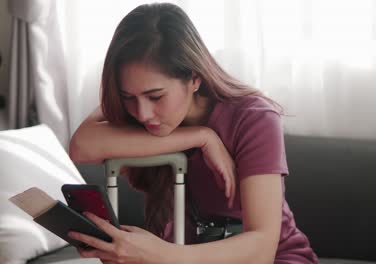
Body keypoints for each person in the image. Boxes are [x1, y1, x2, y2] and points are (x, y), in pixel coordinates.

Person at [68, 2, 318, 263]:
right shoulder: (147, 117)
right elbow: (81, 146)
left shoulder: (254, 117)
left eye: (155, 96)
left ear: (195, 78)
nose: (142, 113)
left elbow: (262, 249)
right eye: (127, 97)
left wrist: (159, 255)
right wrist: (201, 137)